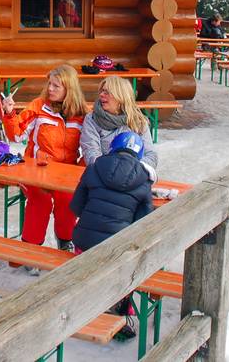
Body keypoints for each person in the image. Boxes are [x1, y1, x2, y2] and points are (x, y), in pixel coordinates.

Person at [70, 131, 153, 341]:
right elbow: (143, 224)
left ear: (113, 147)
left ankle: (86, 306)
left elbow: (76, 207)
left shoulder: (94, 167)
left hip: (83, 245)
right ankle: (123, 313)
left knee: (89, 263)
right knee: (129, 264)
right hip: (116, 250)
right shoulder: (143, 180)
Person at [1, 65, 86, 259]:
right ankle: (31, 248)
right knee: (41, 201)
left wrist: (78, 171)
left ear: (69, 89)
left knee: (68, 199)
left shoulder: (81, 114)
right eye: (49, 84)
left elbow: (90, 146)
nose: (50, 89)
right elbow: (16, 135)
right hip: (36, 170)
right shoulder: (39, 106)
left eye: (56, 86)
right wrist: (10, 114)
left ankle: (65, 241)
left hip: (65, 173)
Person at [81, 76, 158, 182]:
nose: (101, 95)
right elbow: (91, 154)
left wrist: (132, 171)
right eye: (102, 91)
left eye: (107, 92)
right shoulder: (92, 119)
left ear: (120, 97)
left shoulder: (138, 121)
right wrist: (114, 172)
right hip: (102, 177)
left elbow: (150, 155)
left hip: (132, 178)